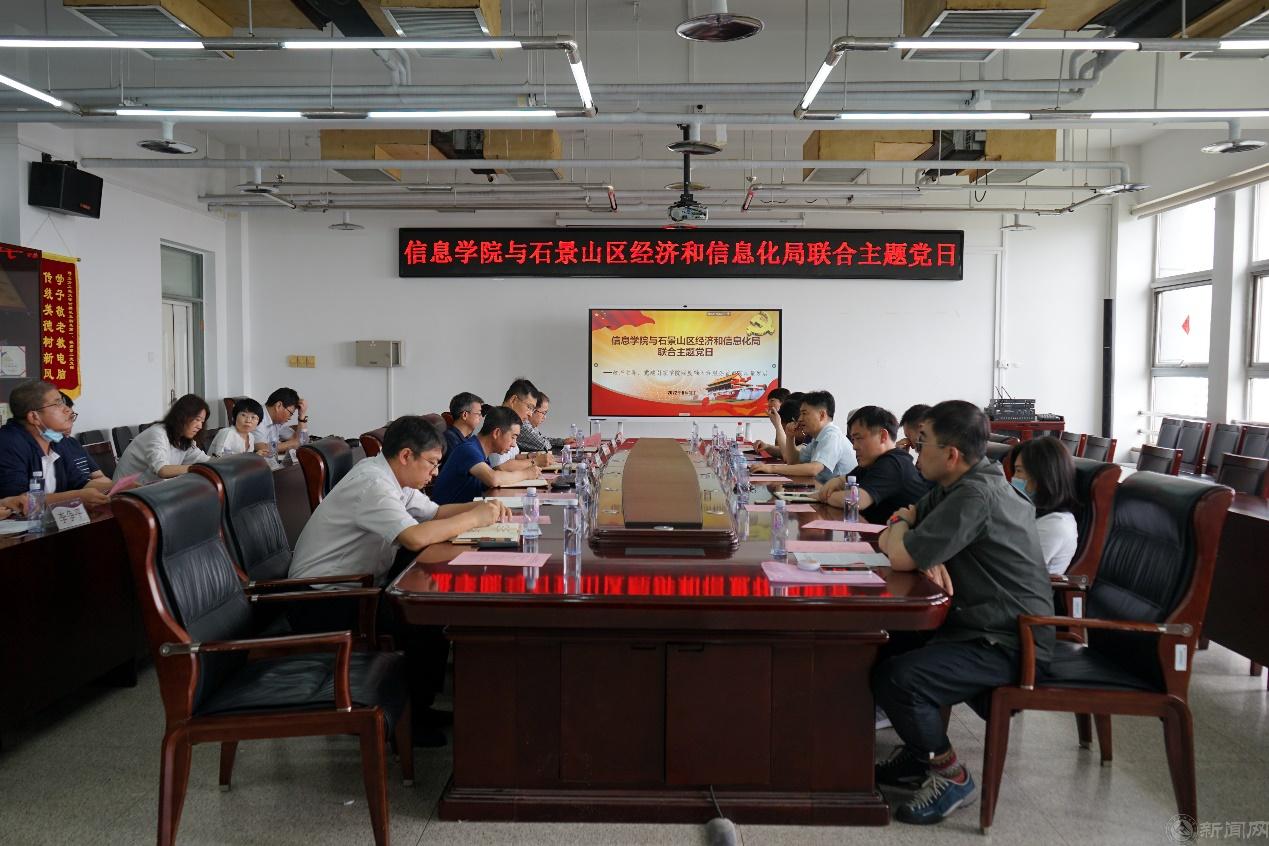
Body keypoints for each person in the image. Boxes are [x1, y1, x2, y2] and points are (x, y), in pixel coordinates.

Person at [872, 400, 1054, 825]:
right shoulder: (961, 484)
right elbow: (902, 530)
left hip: (1009, 641)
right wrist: (908, 531)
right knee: (884, 646)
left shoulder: (974, 494)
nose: (916, 453)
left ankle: (951, 775)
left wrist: (903, 529)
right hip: (977, 624)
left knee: (900, 677)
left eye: (923, 443)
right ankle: (919, 755)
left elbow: (899, 551)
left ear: (951, 454)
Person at [286, 416, 508, 746]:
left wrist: (485, 507)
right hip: (319, 601)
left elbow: (435, 513)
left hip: (354, 587)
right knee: (423, 615)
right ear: (406, 456)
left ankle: (420, 706)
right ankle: (410, 718)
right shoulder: (373, 485)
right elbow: (414, 537)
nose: (435, 473)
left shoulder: (394, 478)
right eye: (432, 463)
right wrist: (474, 517)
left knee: (431, 598)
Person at [0, 380, 112, 506]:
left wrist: (118, 486)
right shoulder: (8, 443)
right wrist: (77, 496)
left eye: (63, 402)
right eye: (57, 404)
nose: (67, 410)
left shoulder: (58, 441)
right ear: (34, 417)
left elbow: (80, 483)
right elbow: (18, 502)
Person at [816, 405, 932, 524]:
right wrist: (837, 482)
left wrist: (825, 496)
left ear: (883, 436)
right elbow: (844, 480)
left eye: (859, 438)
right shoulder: (873, 462)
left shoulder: (893, 463)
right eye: (853, 440)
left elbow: (857, 500)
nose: (854, 446)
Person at [431, 406, 542, 505]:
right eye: (513, 437)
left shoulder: (481, 453)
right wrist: (526, 474)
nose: (514, 444)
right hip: (447, 518)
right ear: (497, 433)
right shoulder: (468, 450)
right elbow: (493, 478)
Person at [1007, 437, 1079, 574]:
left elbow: (1015, 570)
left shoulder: (1055, 524)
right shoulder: (1031, 511)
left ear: (1042, 476)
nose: (1013, 479)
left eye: (1019, 471)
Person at [761, 390, 855, 484]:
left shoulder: (831, 436)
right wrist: (790, 437)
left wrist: (772, 469)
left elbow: (813, 469)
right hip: (825, 487)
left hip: (844, 492)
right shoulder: (817, 437)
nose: (800, 419)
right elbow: (794, 462)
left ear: (822, 415)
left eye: (804, 413)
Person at [114, 394, 212, 484]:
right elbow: (162, 470)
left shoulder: (184, 440)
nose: (200, 426)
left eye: (202, 422)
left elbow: (206, 461)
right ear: (182, 416)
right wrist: (196, 468)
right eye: (197, 419)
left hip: (147, 490)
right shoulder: (157, 433)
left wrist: (220, 462)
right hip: (124, 492)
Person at [486, 378, 546, 470]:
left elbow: (512, 457)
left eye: (533, 410)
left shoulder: (512, 423)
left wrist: (529, 456)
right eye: (529, 407)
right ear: (513, 400)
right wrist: (535, 461)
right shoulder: (496, 420)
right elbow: (499, 466)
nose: (530, 414)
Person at [255, 387, 308, 453]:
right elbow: (262, 448)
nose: (290, 418)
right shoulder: (256, 416)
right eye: (290, 413)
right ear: (278, 406)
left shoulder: (277, 421)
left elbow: (300, 439)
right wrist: (294, 443)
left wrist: (302, 416)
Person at [752, 392, 802, 459]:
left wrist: (778, 426)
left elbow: (787, 455)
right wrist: (767, 447)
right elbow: (783, 450)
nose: (769, 404)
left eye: (772, 400)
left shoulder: (811, 437)